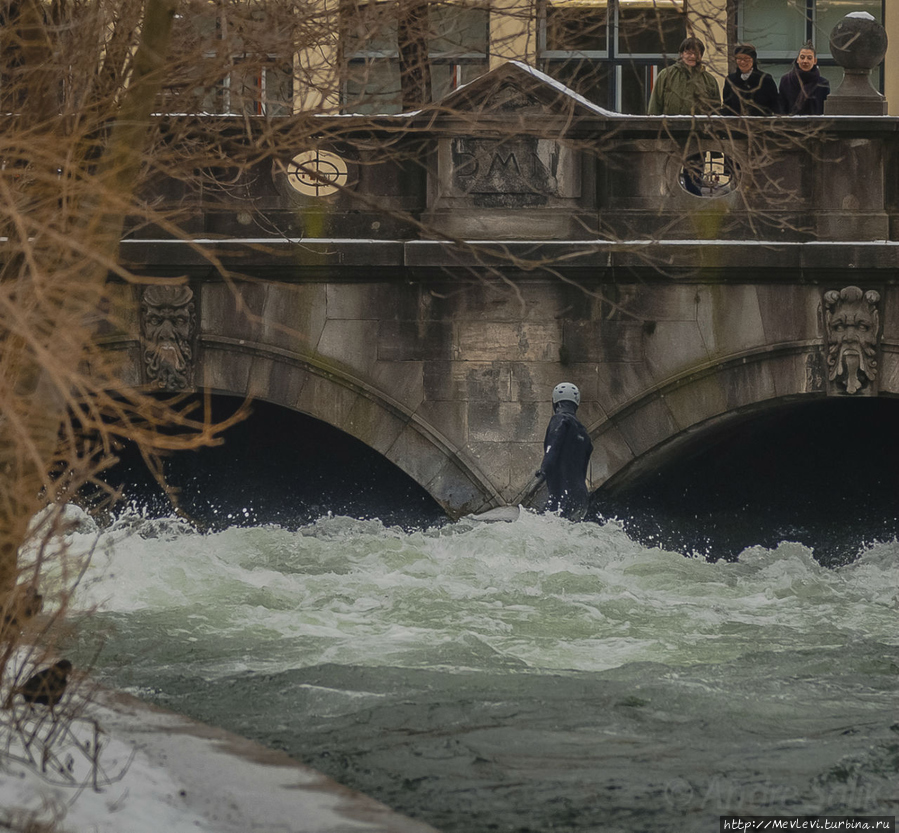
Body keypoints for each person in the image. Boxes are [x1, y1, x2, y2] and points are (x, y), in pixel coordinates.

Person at [536, 383, 593, 521]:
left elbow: (553, 444)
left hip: (562, 494)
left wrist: (544, 469)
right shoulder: (584, 433)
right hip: (581, 497)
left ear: (555, 401)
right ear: (576, 404)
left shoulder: (560, 419)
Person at [648, 36, 721, 116]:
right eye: (689, 53)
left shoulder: (709, 80)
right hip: (670, 127)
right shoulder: (665, 75)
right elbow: (655, 105)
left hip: (701, 128)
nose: (693, 56)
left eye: (696, 53)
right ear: (681, 54)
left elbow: (716, 112)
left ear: (701, 56)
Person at [722, 43, 779, 115]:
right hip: (736, 124)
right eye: (739, 58)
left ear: (753, 60)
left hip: (761, 123)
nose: (742, 62)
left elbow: (775, 105)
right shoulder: (730, 80)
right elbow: (727, 105)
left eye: (746, 58)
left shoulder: (765, 79)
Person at [779, 43, 830, 115]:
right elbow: (782, 108)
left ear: (815, 61)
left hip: (815, 124)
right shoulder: (786, 80)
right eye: (802, 57)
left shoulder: (823, 83)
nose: (805, 61)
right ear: (797, 59)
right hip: (790, 124)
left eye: (809, 58)